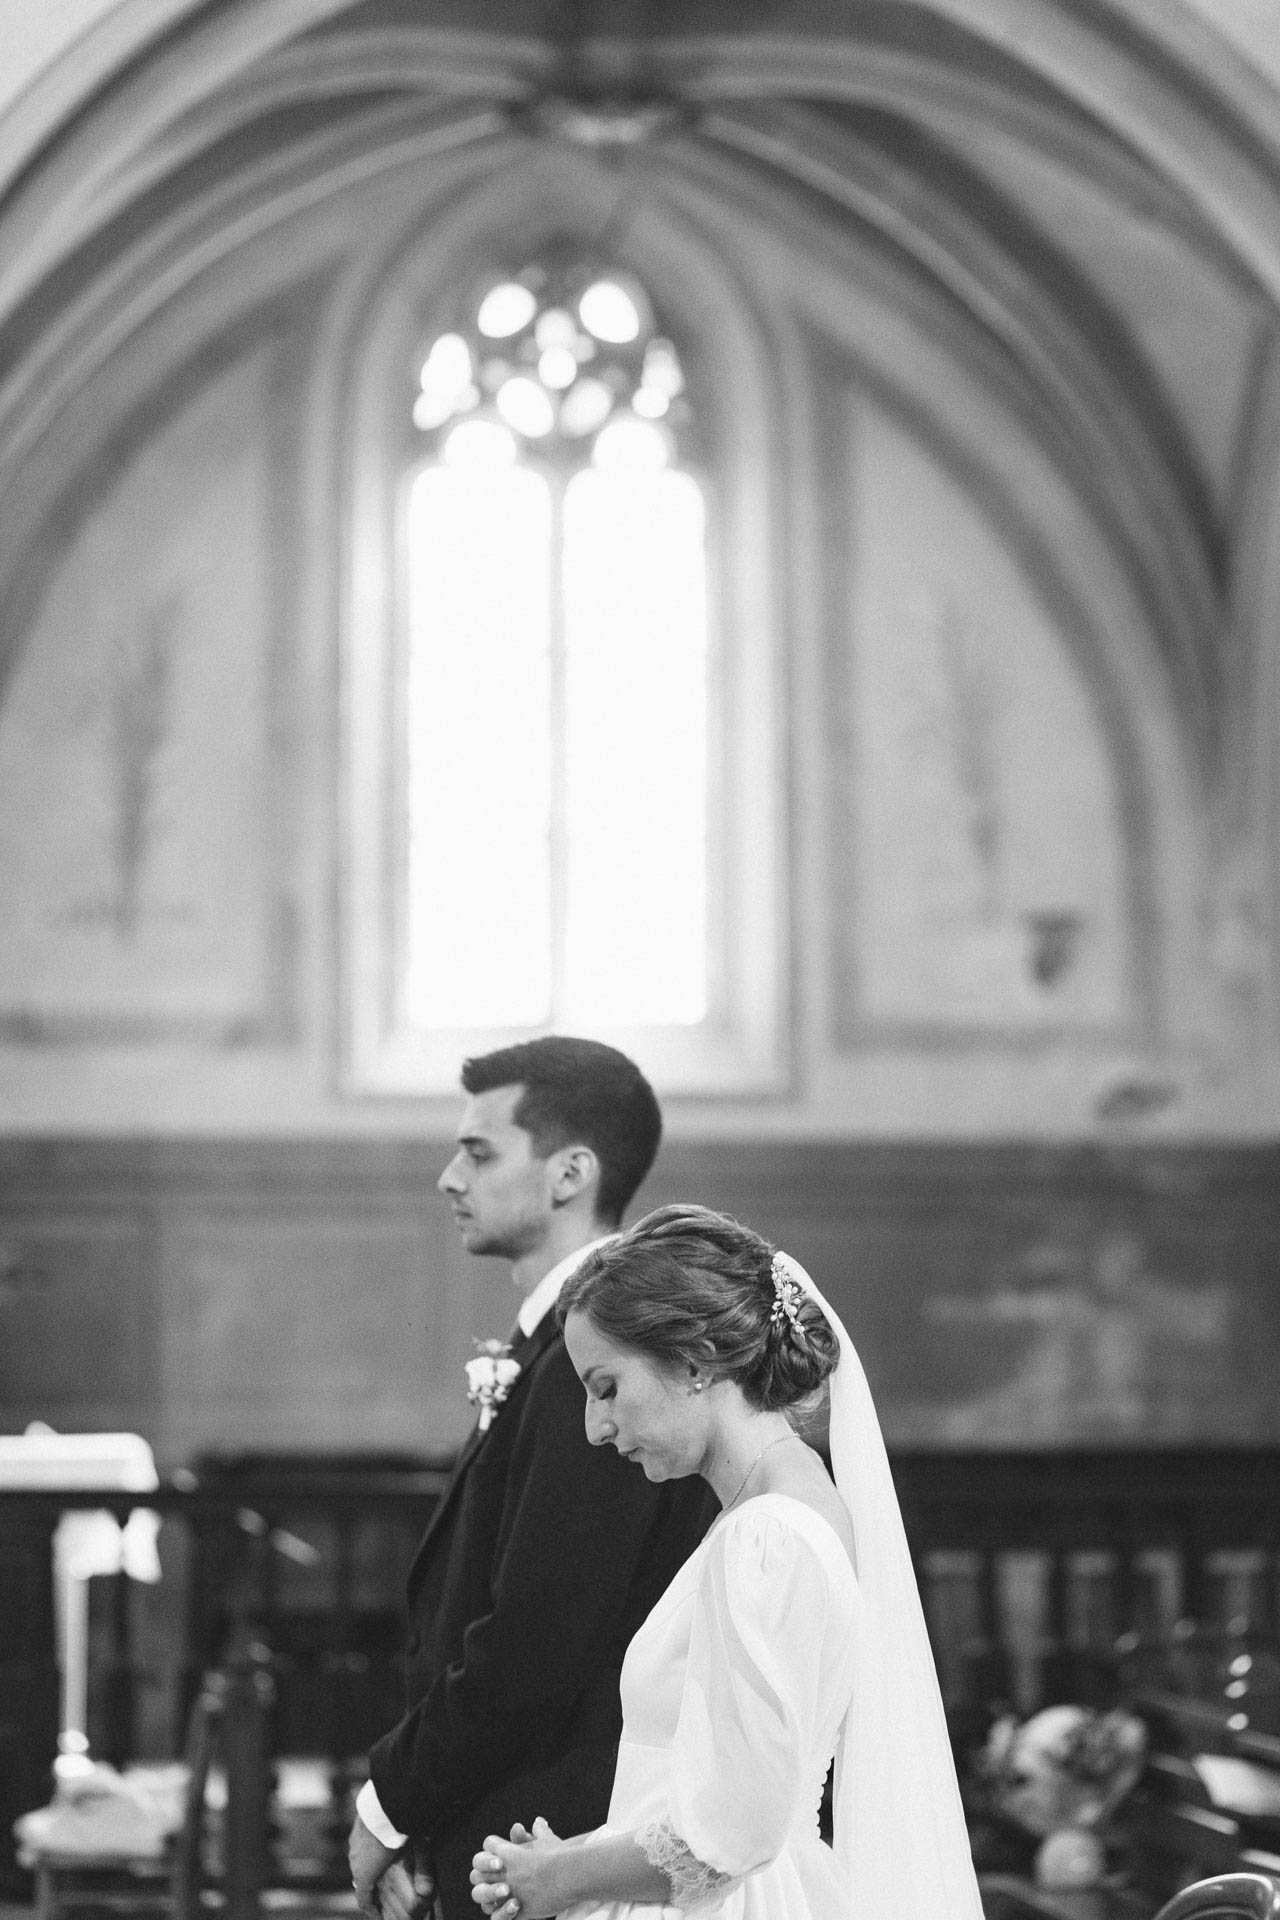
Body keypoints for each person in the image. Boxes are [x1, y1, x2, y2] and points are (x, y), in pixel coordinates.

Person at [470, 1204, 984, 1920]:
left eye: (606, 1387)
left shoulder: (769, 1538)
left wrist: (561, 1879)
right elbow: (715, 1797)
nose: (596, 1428)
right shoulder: (770, 1515)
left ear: (694, 1361)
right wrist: (568, 1858)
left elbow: (726, 1838)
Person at [349, 1040, 716, 1920]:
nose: (449, 1178)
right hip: (500, 1828)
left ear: (570, 1174)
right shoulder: (557, 1350)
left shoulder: (597, 1365)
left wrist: (391, 1803)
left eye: (478, 1153)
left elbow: (536, 1642)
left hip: (550, 1839)